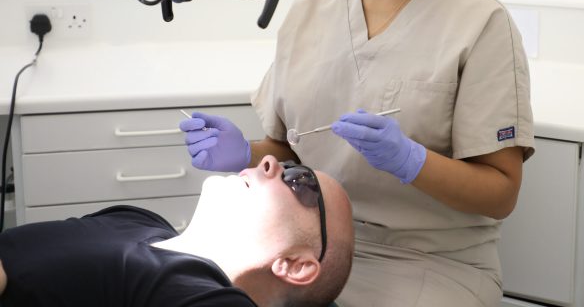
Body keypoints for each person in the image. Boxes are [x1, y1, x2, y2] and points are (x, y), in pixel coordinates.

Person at [181, 0, 534, 307]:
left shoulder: (481, 23)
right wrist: (244, 154)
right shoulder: (309, 15)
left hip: (430, 259)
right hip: (309, 243)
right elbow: (291, 152)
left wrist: (412, 161)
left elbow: (500, 193)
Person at [0, 156, 354, 307]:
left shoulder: (207, 297)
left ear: (295, 264)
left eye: (300, 182)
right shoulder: (137, 219)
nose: (270, 162)